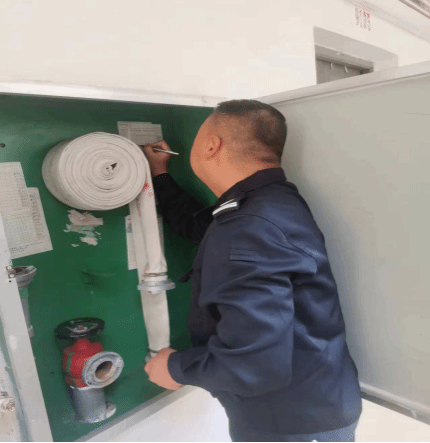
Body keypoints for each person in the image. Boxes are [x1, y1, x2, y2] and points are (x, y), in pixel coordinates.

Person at [143, 100, 362, 443]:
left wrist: (174, 368)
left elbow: (255, 365)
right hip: (314, 404)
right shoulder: (269, 201)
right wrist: (160, 173)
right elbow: (196, 225)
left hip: (291, 425)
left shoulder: (249, 226)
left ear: (211, 145)